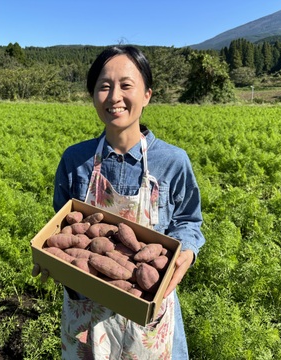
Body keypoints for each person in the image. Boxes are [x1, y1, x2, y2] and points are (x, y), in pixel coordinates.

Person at [33, 45, 205, 359]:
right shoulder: (76, 160)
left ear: (147, 94)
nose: (114, 97)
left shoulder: (172, 162)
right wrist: (49, 256)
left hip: (149, 311)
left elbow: (189, 222)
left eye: (126, 85)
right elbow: (60, 225)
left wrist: (186, 252)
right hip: (88, 314)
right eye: (104, 86)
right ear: (92, 95)